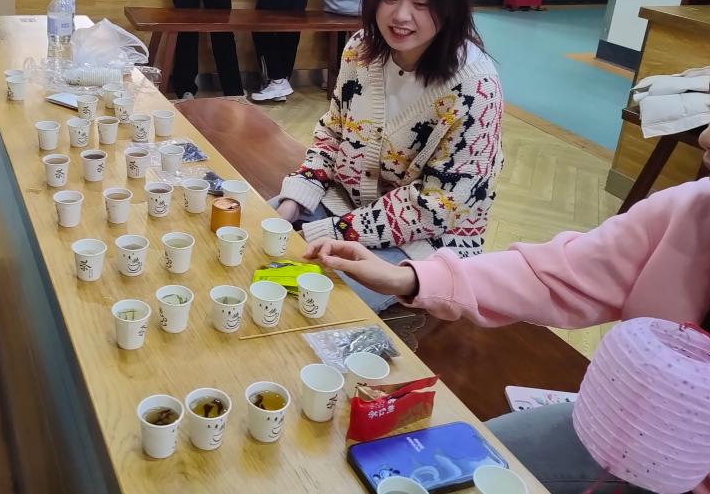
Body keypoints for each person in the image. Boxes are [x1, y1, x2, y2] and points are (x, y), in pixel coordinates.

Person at [303, 126, 710, 494]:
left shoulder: (473, 89)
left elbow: (431, 209)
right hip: (623, 425)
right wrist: (409, 279)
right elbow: (558, 274)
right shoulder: (691, 208)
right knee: (455, 459)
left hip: (419, 240)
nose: (705, 137)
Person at [272, 0, 504, 311]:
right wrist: (293, 202)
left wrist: (327, 231)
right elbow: (333, 133)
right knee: (251, 231)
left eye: (422, 3)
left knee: (312, 301)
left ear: (451, 5)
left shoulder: (475, 89)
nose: (401, 16)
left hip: (424, 245)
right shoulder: (361, 49)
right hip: (344, 206)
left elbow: (433, 208)